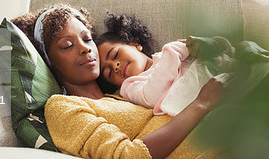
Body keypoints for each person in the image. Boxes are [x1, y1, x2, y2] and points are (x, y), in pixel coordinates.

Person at [11, 4, 226, 159]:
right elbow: (129, 158)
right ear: (49, 63)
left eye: (87, 39)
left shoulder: (126, 89)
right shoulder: (62, 108)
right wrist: (201, 104)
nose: (85, 48)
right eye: (67, 45)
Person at [95, 13, 269, 116]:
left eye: (115, 55)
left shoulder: (167, 54)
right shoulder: (130, 86)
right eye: (109, 72)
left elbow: (215, 52)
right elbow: (152, 96)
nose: (115, 66)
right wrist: (176, 49)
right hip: (221, 104)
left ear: (133, 44)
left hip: (237, 76)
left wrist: (215, 44)